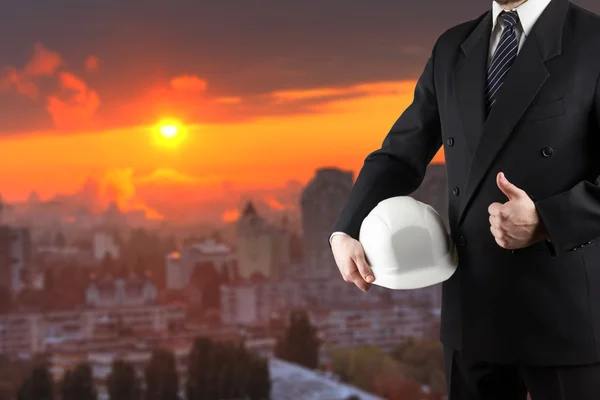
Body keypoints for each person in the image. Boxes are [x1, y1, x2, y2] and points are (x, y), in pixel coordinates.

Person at [329, 0, 600, 398]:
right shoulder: (451, 47)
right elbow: (401, 153)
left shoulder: (593, 41)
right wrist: (345, 229)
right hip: (472, 311)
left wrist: (547, 220)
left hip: (567, 316)